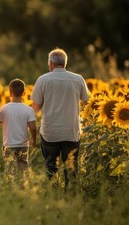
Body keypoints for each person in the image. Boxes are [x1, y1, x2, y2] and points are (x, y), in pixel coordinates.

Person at [31, 48, 90, 188]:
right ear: (65, 63)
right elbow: (88, 103)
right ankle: (71, 196)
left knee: (51, 166)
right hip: (71, 131)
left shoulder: (42, 80)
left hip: (50, 132)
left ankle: (53, 194)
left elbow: (35, 108)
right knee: (71, 168)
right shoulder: (78, 79)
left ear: (50, 63)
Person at [0, 79, 36, 175]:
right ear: (24, 93)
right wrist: (33, 139)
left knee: (11, 170)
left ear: (10, 92)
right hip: (23, 145)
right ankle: (23, 187)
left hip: (9, 146)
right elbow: (32, 127)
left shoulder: (5, 108)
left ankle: (12, 187)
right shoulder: (28, 109)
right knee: (23, 168)